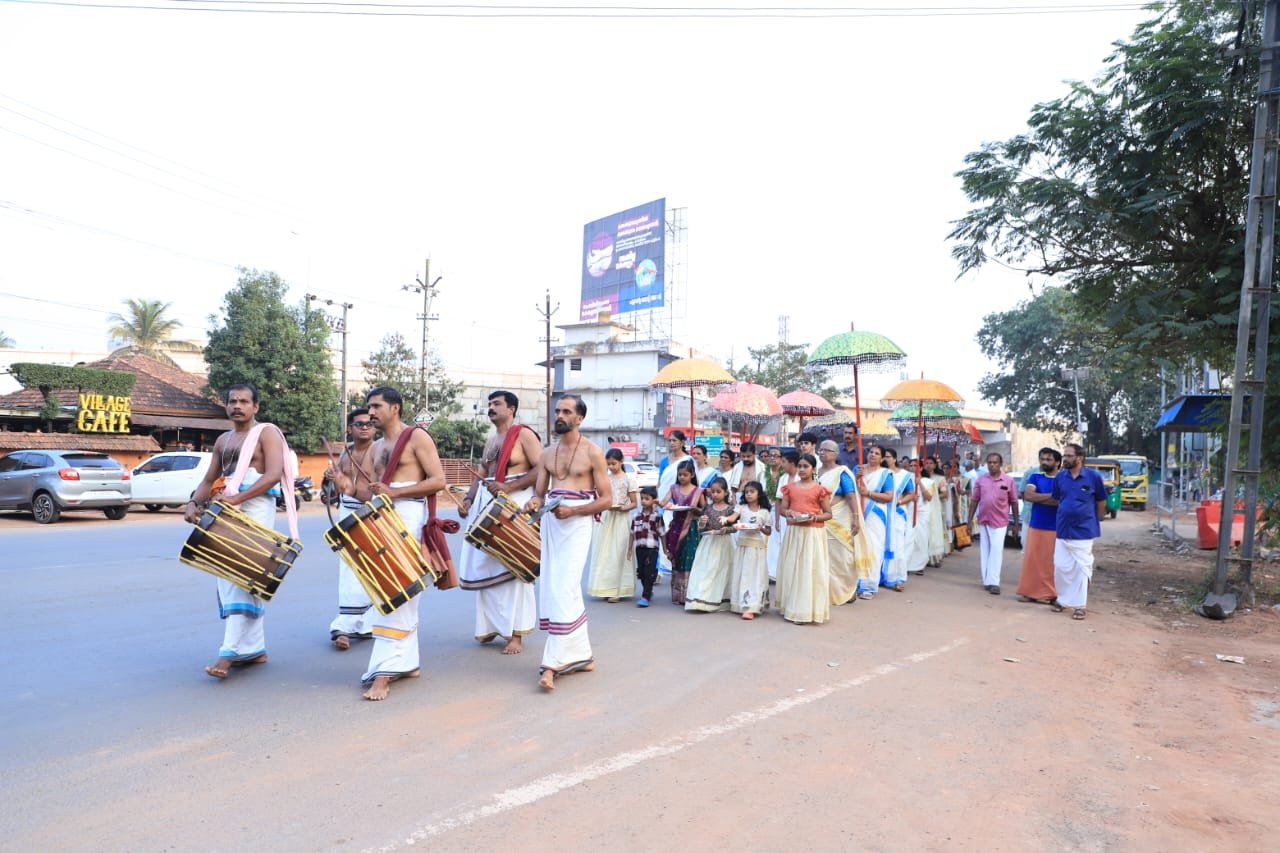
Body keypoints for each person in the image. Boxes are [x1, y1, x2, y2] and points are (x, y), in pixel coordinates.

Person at [185, 383, 294, 680]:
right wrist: (193, 502)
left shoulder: (267, 433)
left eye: (244, 401)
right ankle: (254, 649)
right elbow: (210, 479)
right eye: (232, 401)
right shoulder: (223, 440)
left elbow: (273, 474)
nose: (237, 406)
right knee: (231, 575)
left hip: (255, 508)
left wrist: (237, 498)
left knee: (243, 575)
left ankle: (228, 653)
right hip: (225, 507)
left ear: (255, 406)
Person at [362, 386, 447, 701]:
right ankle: (406, 663)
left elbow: (438, 480)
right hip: (382, 519)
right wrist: (345, 486)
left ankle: (384, 672)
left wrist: (395, 493)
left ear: (395, 408)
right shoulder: (376, 446)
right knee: (387, 590)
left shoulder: (417, 437)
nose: (371, 412)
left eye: (376, 406)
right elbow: (370, 490)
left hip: (409, 517)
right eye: (369, 407)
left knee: (399, 591)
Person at [523, 394, 612, 691]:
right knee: (557, 587)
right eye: (558, 411)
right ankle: (582, 656)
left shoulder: (593, 453)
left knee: (564, 586)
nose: (559, 415)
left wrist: (573, 511)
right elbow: (539, 493)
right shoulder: (547, 454)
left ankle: (552, 664)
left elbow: (607, 499)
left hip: (578, 524)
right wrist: (534, 503)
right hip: (552, 524)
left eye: (566, 411)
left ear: (580, 418)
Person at [457, 390, 543, 654]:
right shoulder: (492, 439)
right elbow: (482, 473)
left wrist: (509, 486)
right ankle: (491, 627)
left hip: (515, 504)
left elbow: (541, 469)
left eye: (497, 404)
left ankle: (516, 634)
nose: (491, 408)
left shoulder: (524, 435)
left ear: (512, 409)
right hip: (489, 503)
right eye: (490, 404)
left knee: (515, 568)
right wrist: (468, 499)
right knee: (488, 567)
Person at [324, 407, 377, 650]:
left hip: (372, 514)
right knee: (349, 568)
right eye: (359, 424)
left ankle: (360, 624)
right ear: (349, 428)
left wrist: (353, 490)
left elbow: (384, 488)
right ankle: (347, 625)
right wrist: (332, 478)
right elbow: (339, 489)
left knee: (371, 569)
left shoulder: (381, 451)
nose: (365, 427)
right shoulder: (345, 453)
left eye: (369, 423)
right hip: (347, 512)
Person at [1050, 443, 1108, 620]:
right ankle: (1063, 599)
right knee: (1061, 567)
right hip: (1063, 528)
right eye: (1064, 455)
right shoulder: (1060, 477)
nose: (1065, 459)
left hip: (1084, 530)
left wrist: (1097, 518)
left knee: (1081, 569)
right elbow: (1057, 498)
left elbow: (1101, 500)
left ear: (1080, 458)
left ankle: (1080, 606)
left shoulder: (1093, 477)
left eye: (1069, 456)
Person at [776, 453, 833, 624]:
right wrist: (789, 513)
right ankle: (792, 607)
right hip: (794, 532)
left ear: (813, 469)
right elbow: (782, 510)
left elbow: (828, 514)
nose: (802, 469)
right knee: (793, 569)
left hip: (812, 534)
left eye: (806, 466)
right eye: (799, 466)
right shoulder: (789, 488)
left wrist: (814, 517)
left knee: (809, 570)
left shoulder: (820, 490)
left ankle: (807, 610)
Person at [816, 439, 867, 605]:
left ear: (836, 454)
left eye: (827, 450)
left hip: (839, 518)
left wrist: (856, 517)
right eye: (820, 450)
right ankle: (827, 591)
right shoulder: (815, 472)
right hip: (820, 518)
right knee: (823, 555)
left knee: (842, 555)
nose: (822, 453)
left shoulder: (842, 472)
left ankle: (848, 589)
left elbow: (851, 496)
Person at [859, 447, 915, 592]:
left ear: (883, 458)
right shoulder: (858, 469)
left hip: (877, 514)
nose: (873, 455)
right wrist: (856, 476)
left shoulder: (886, 474)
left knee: (875, 548)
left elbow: (891, 496)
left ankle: (869, 585)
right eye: (871, 452)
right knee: (857, 547)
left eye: (877, 453)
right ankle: (854, 582)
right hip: (856, 513)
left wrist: (868, 493)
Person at [587, 448, 638, 601]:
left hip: (621, 519)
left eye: (613, 463)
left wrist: (622, 508)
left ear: (621, 461)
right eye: (608, 464)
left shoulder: (629, 479)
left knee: (619, 553)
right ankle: (604, 588)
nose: (611, 467)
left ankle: (617, 591)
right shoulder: (604, 479)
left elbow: (634, 503)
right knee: (604, 554)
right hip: (606, 518)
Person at [684, 476, 739, 612]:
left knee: (722, 572)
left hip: (724, 544)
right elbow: (701, 529)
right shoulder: (707, 508)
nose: (715, 494)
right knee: (706, 571)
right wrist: (702, 523)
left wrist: (726, 530)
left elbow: (735, 528)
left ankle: (720, 600)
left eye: (718, 491)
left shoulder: (731, 510)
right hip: (708, 544)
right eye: (713, 492)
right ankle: (701, 600)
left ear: (726, 493)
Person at [967, 452, 1020, 595]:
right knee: (985, 550)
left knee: (996, 550)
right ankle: (987, 580)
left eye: (995, 462)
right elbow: (974, 500)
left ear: (1000, 464)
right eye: (990, 462)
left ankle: (994, 582)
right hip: (984, 519)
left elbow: (1014, 502)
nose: (992, 465)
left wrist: (1016, 524)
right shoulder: (981, 480)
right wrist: (969, 522)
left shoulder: (1008, 480)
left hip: (1000, 521)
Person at [1018, 447, 1062, 604]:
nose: (1044, 462)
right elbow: (1029, 496)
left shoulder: (1063, 478)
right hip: (1036, 524)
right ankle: (1029, 592)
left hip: (1056, 526)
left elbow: (1061, 501)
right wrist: (1051, 497)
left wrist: (1040, 498)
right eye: (1042, 459)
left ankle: (1051, 594)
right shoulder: (1035, 476)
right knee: (1032, 560)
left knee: (1051, 562)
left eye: (1049, 459)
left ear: (1057, 462)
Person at [662, 459, 704, 605]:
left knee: (689, 559)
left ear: (692, 475)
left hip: (692, 529)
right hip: (676, 527)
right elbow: (664, 502)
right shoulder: (673, 488)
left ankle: (689, 594)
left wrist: (695, 510)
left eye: (685, 475)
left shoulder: (698, 491)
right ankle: (677, 595)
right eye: (680, 475)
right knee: (678, 558)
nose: (682, 477)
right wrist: (660, 503)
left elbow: (704, 510)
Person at [730, 481, 772, 619]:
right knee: (743, 574)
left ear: (759, 494)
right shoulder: (741, 508)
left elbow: (768, 531)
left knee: (755, 575)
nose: (748, 494)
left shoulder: (764, 512)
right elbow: (733, 518)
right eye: (746, 492)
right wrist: (727, 519)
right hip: (742, 546)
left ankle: (752, 606)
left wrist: (760, 528)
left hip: (756, 548)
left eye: (752, 492)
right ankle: (741, 604)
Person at [631, 486, 665, 607]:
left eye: (647, 498)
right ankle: (648, 591)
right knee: (641, 572)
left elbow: (662, 533)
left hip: (652, 549)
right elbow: (632, 533)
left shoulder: (657, 516)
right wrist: (629, 550)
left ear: (653, 500)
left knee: (649, 571)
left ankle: (645, 596)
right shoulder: (636, 516)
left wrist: (665, 549)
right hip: (639, 548)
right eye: (642, 498)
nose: (643, 501)